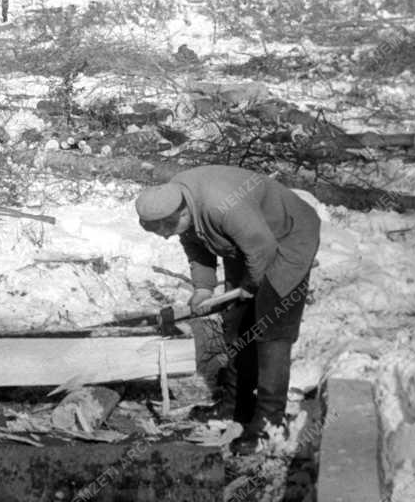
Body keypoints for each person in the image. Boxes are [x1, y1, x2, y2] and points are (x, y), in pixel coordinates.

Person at [135, 166, 320, 454]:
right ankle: (236, 405)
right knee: (236, 321)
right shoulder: (174, 197)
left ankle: (270, 422)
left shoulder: (222, 205)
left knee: (271, 327)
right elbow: (196, 247)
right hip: (244, 242)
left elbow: (263, 249)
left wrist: (251, 286)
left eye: (167, 230)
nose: (166, 237)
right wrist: (203, 289)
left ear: (183, 214)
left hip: (286, 238)